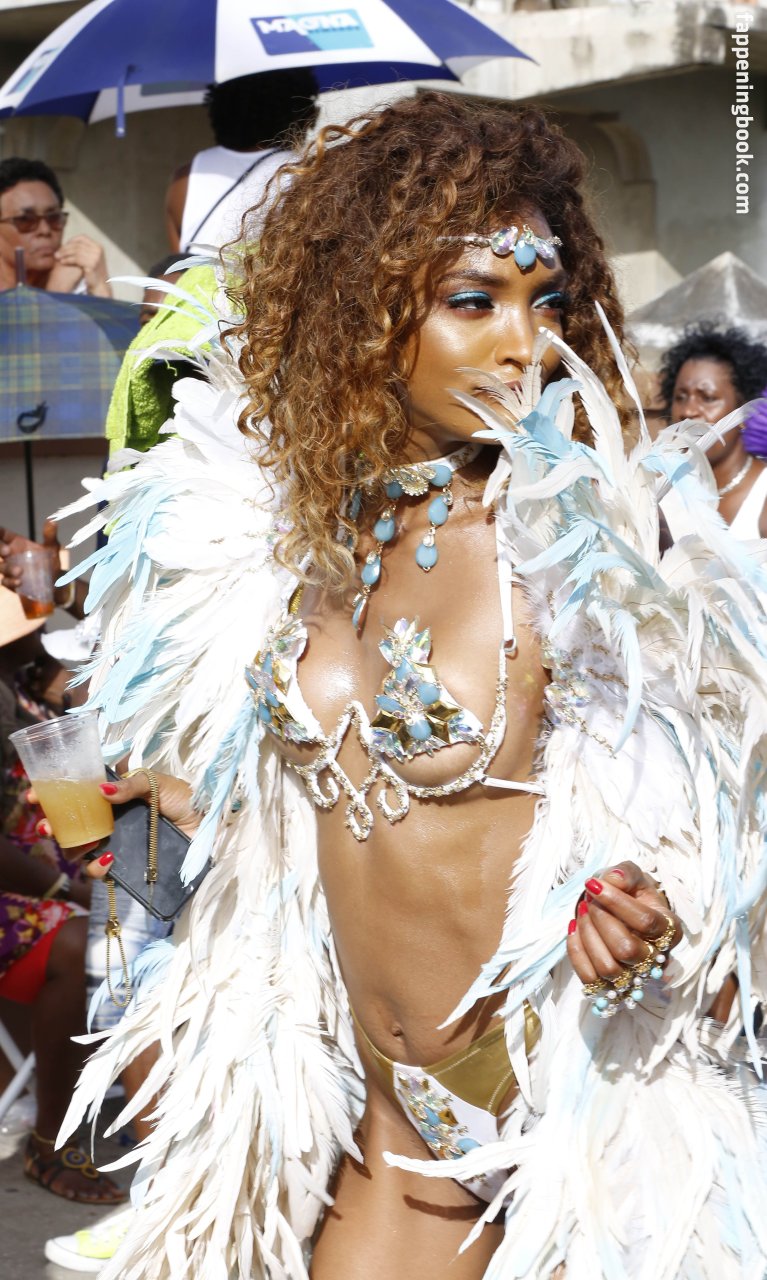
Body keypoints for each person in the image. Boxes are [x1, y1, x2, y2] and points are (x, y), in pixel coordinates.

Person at [53, 93, 767, 1279]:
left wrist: (654, 910)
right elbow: (266, 800)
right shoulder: (294, 538)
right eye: (472, 301)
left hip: (569, 1126)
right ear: (366, 306)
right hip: (386, 1122)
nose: (522, 344)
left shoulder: (575, 544)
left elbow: (713, 805)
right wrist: (169, 800)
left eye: (544, 302)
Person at [0, 588, 124, 1204]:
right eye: (27, 623)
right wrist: (67, 887)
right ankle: (51, 1143)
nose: (39, 628)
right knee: (81, 940)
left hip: (44, 884)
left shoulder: (21, 695)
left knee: (135, 915)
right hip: (21, 894)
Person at [165, 68, 319, 254]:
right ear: (298, 112)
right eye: (310, 106)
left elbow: (180, 266)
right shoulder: (307, 174)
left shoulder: (184, 178)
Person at [659, 322, 767, 537]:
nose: (688, 411)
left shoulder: (762, 497)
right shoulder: (659, 491)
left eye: (707, 398)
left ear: (743, 409)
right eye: (680, 397)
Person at [0, 157, 112, 296]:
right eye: (26, 220)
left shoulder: (78, 284)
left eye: (53, 218)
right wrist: (55, 293)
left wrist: (100, 286)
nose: (45, 230)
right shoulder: (63, 287)